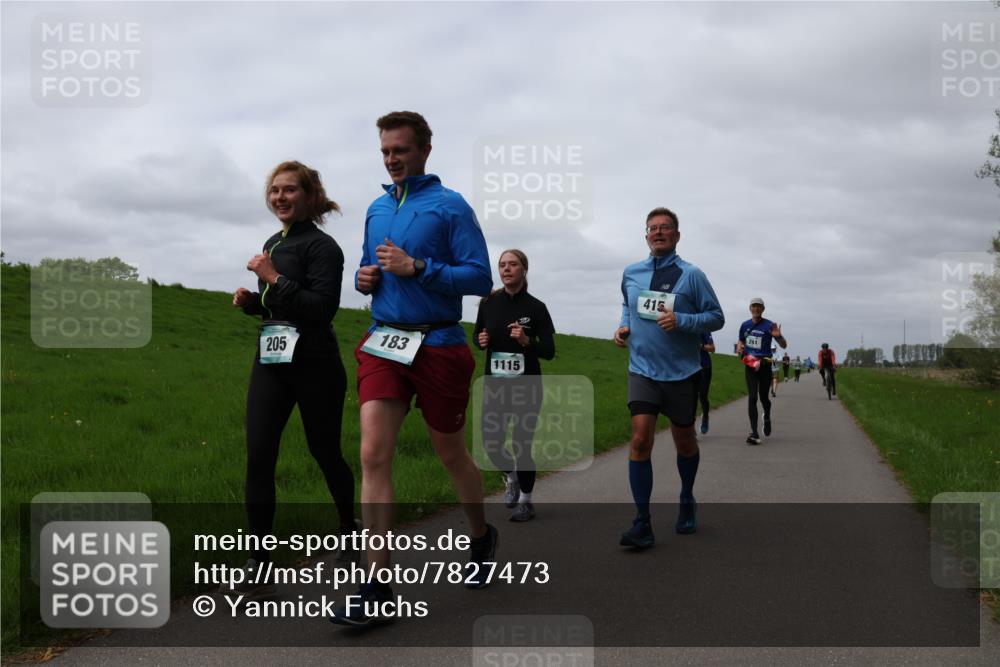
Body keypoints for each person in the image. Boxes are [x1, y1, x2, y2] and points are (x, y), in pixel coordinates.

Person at [330, 112, 495, 626]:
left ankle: (481, 533)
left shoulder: (451, 207)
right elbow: (369, 269)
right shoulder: (377, 208)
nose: (391, 159)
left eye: (400, 150)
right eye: (384, 151)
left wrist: (420, 267)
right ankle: (376, 583)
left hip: (440, 343)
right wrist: (365, 278)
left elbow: (480, 278)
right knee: (373, 453)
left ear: (425, 149)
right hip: (384, 342)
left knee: (451, 453)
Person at [229, 161, 357, 598]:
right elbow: (278, 307)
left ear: (310, 197)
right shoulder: (272, 242)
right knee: (259, 457)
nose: (280, 197)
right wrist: (252, 302)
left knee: (325, 452)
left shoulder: (324, 248)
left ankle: (349, 529)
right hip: (271, 362)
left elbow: (321, 310)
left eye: (289, 190)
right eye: (275, 191)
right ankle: (258, 561)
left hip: (315, 364)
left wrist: (271, 277)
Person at [614, 207, 724, 548]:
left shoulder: (692, 275)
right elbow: (626, 304)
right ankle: (642, 522)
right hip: (642, 369)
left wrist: (683, 321)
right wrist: (623, 327)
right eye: (652, 228)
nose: (658, 232)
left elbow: (716, 317)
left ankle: (687, 497)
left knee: (684, 442)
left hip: (681, 373)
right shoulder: (631, 272)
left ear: (676, 236)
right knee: (640, 439)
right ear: (645, 235)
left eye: (665, 228)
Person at [475, 249, 555, 522]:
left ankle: (526, 502)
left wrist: (527, 341)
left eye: (512, 264)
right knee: (492, 443)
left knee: (522, 443)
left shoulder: (536, 307)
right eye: (502, 265)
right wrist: (480, 341)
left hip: (527, 385)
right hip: (495, 384)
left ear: (524, 269)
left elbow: (549, 350)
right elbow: (478, 334)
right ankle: (511, 476)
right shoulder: (488, 303)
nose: (506, 269)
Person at [737, 297, 787, 445]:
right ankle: (754, 432)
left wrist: (779, 336)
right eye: (754, 306)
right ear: (750, 308)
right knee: (752, 397)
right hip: (751, 365)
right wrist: (740, 346)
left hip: (765, 365)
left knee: (764, 397)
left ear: (763, 309)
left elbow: (783, 345)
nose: (756, 309)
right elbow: (741, 340)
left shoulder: (769, 325)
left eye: (759, 307)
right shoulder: (744, 325)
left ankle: (767, 416)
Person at [698, 332, 715, 434]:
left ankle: (705, 416)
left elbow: (712, 348)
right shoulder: (684, 325)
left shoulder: (703, 328)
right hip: (689, 366)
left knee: (703, 396)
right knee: (690, 398)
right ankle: (690, 429)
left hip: (704, 366)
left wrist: (701, 346)